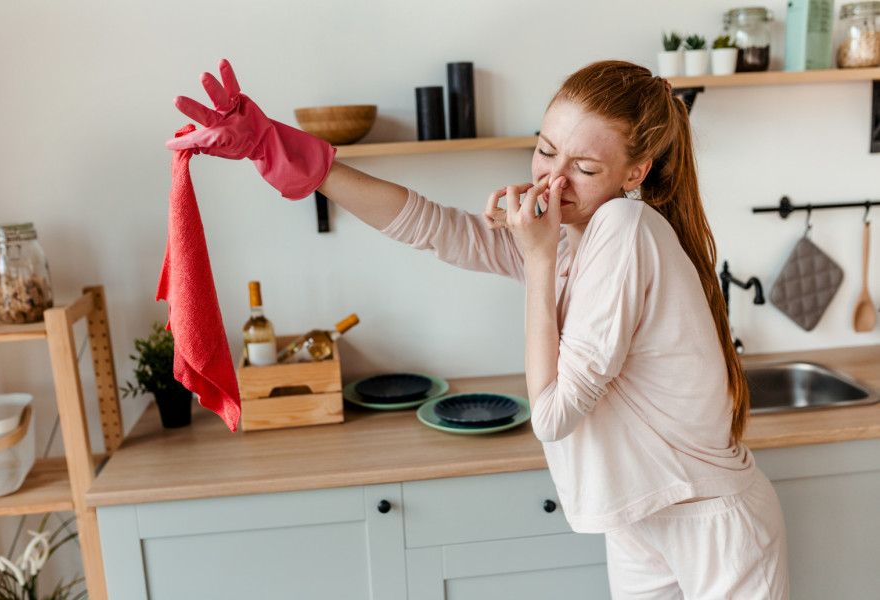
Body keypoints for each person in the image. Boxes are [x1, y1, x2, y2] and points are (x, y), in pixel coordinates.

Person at [167, 59, 789, 598]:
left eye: (585, 167)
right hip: (638, 518)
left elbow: (552, 414)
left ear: (635, 173)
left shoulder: (625, 228)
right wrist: (279, 148)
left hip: (711, 521)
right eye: (547, 151)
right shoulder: (578, 236)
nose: (552, 180)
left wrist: (539, 256)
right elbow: (438, 229)